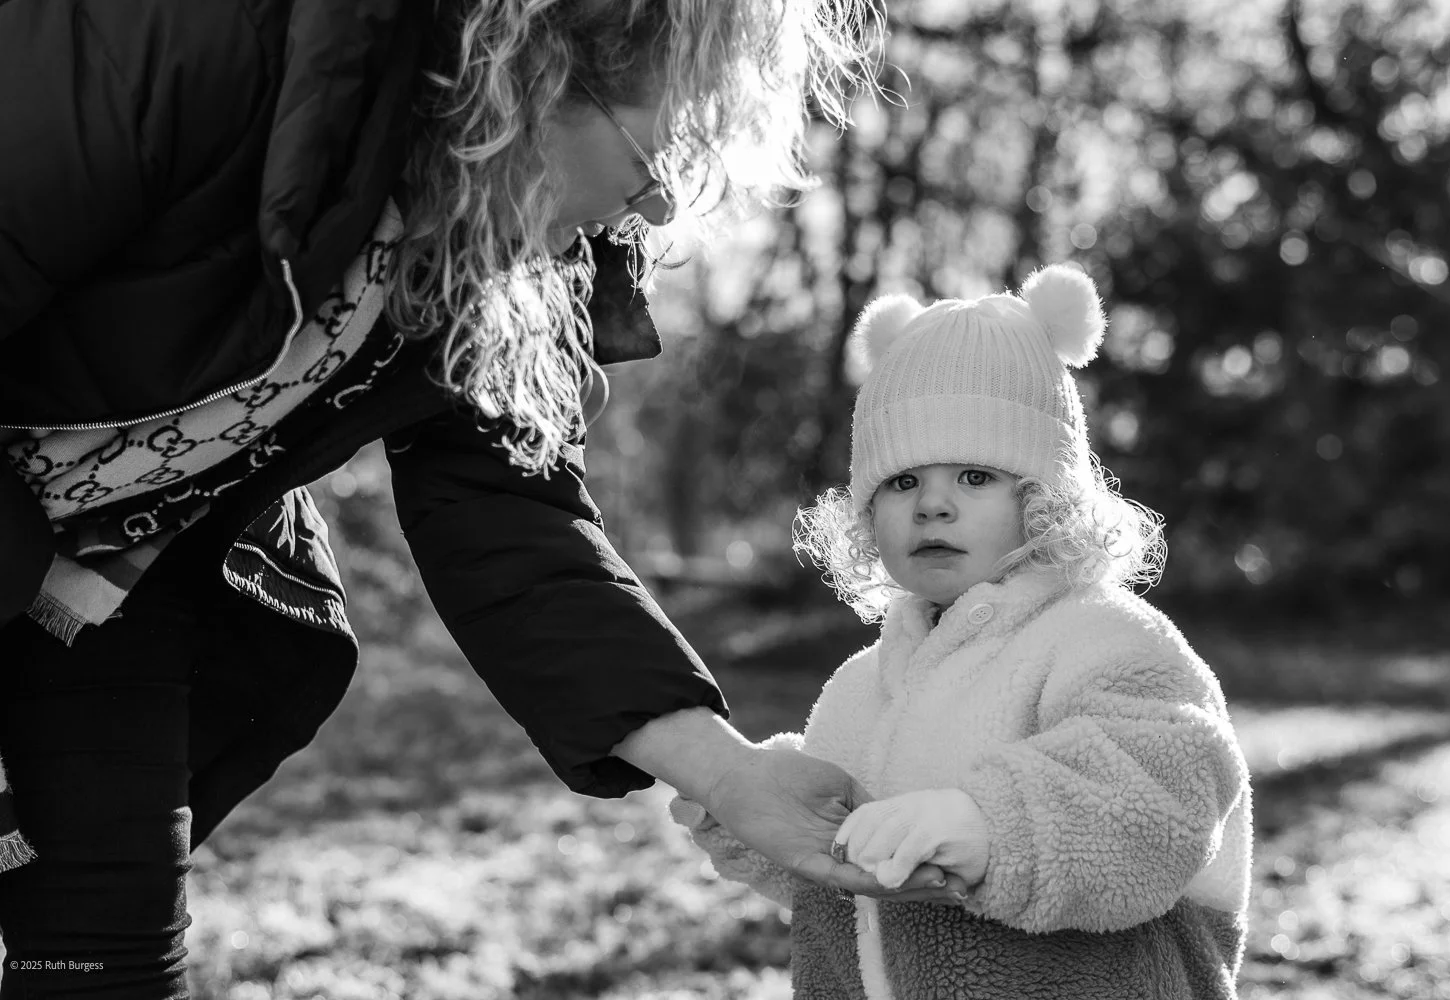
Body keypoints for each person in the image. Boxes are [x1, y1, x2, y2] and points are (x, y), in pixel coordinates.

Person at [0, 0, 968, 994]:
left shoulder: (512, 244)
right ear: (536, 72)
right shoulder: (196, 41)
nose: (654, 210)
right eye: (655, 159)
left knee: (98, 958)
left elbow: (509, 514)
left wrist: (728, 771)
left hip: (120, 571)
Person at [671, 264, 1254, 998]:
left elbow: (1165, 791)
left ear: (1046, 499)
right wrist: (749, 811)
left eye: (975, 476)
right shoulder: (861, 685)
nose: (932, 505)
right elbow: (836, 876)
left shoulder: (1103, 638)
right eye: (902, 481)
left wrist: (991, 825)